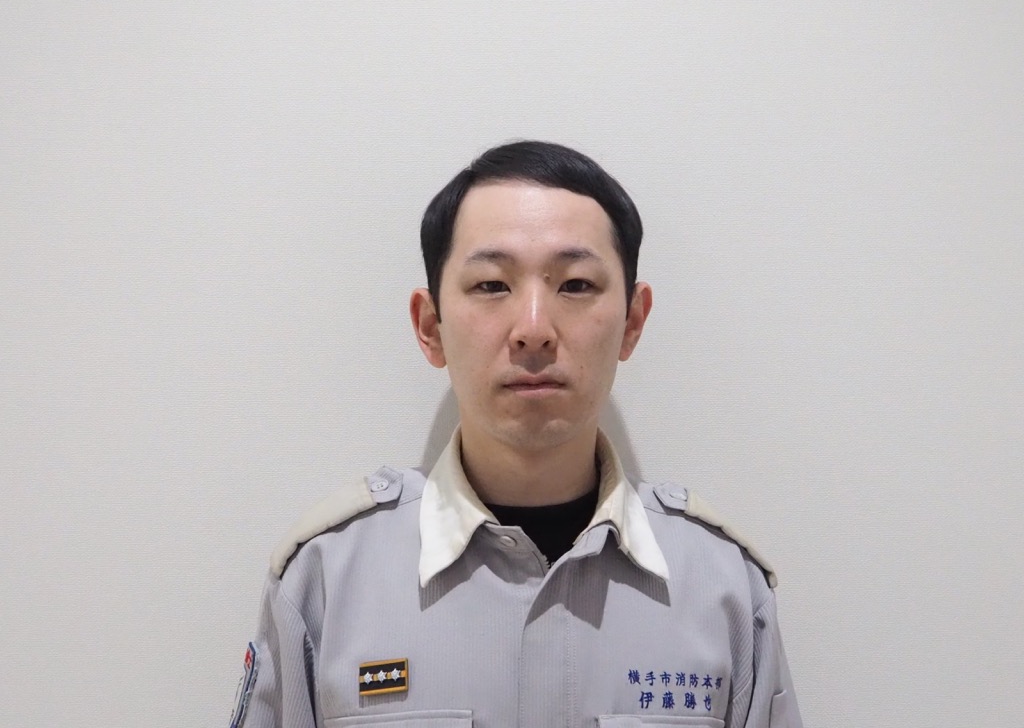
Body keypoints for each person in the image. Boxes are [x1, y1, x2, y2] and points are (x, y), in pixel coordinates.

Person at [229, 141, 803, 727]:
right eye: (491, 285)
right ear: (430, 327)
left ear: (632, 321)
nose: (533, 329)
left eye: (575, 284)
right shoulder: (325, 580)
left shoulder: (724, 589)